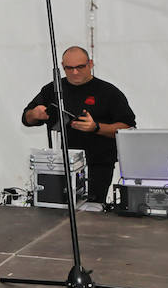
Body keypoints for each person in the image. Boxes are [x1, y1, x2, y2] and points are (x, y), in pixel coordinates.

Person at [21, 46, 136, 203]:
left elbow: (128, 127)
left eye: (80, 67)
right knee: (58, 210)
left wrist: (96, 127)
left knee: (93, 209)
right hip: (61, 164)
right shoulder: (52, 89)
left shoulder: (108, 92)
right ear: (62, 66)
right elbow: (26, 119)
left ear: (90, 64)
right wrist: (35, 114)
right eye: (69, 68)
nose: (74, 72)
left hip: (98, 163)